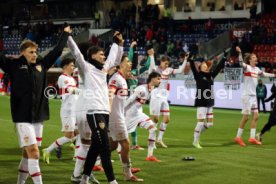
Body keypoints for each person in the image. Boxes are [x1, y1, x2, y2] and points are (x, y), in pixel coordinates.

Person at [0, 25, 71, 184]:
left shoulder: (42, 64)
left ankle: (20, 182)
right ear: (22, 52)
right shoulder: (13, 65)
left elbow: (57, 51)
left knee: (27, 154)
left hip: (39, 117)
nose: (34, 55)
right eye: (31, 52)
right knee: (34, 153)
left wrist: (65, 34)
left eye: (35, 52)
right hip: (22, 117)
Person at [67, 31, 124, 184]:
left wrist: (118, 44)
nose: (103, 56)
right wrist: (68, 36)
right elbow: (76, 53)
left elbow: (114, 58)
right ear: (92, 56)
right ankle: (112, 181)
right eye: (100, 54)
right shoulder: (86, 68)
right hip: (93, 111)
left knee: (96, 146)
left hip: (105, 111)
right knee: (105, 147)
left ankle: (84, 177)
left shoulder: (103, 69)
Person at [108, 54, 143, 182]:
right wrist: (108, 111)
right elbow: (110, 94)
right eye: (127, 61)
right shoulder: (116, 79)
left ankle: (90, 163)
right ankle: (128, 174)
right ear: (120, 64)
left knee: (111, 146)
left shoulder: (122, 79)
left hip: (118, 116)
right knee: (126, 144)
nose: (130, 63)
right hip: (115, 117)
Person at [234, 47, 275, 147]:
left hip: (253, 96)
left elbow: (264, 74)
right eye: (254, 57)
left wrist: (274, 75)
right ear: (249, 60)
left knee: (256, 116)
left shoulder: (257, 69)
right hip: (247, 95)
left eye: (255, 57)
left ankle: (252, 138)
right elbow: (240, 63)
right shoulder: (246, 67)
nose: (256, 58)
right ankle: (238, 137)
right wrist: (240, 53)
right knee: (246, 117)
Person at [42, 58, 79, 164]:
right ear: (65, 66)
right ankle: (48, 150)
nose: (73, 67)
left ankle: (77, 156)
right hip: (68, 111)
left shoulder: (72, 78)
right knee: (69, 136)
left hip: (74, 110)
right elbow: (69, 90)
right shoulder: (63, 78)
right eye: (72, 65)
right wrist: (84, 92)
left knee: (79, 134)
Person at [149, 55, 188, 148]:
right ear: (161, 62)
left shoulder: (169, 70)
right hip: (156, 96)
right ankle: (152, 141)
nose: (167, 65)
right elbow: (151, 68)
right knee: (156, 119)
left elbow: (180, 70)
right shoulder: (155, 69)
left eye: (168, 64)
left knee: (166, 119)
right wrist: (151, 56)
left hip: (164, 97)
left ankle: (159, 139)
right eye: (165, 63)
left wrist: (185, 59)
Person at [190, 55, 227, 149]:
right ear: (200, 67)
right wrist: (190, 59)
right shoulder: (198, 75)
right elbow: (193, 68)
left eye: (206, 65)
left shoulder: (211, 76)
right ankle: (195, 140)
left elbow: (218, 68)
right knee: (200, 122)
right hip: (201, 101)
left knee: (210, 124)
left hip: (210, 102)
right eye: (203, 65)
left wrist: (223, 59)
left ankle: (196, 135)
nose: (205, 65)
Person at [125, 72, 161, 162]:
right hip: (129, 115)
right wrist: (120, 112)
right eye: (158, 79)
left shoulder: (150, 90)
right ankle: (99, 159)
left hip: (138, 114)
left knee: (153, 129)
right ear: (152, 79)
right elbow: (129, 100)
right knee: (119, 139)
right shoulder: (142, 89)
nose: (160, 81)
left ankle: (150, 156)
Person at [128, 42, 155, 150]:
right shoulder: (126, 72)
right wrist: (131, 48)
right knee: (124, 127)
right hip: (127, 101)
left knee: (133, 124)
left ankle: (134, 144)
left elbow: (147, 66)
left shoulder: (135, 71)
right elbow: (130, 59)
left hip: (136, 101)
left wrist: (150, 55)